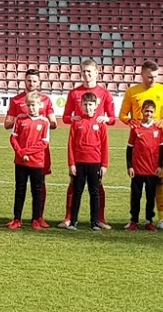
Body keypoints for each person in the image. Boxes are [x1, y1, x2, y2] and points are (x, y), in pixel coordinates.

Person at [119, 60, 163, 231]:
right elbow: (122, 114)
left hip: (157, 144)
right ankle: (134, 219)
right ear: (142, 74)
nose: (153, 79)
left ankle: (160, 219)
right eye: (150, 76)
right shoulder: (132, 92)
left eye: (155, 76)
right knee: (135, 184)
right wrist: (130, 121)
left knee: (159, 181)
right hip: (139, 144)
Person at [61, 59, 115, 229]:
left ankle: (100, 218)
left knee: (97, 187)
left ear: (97, 73)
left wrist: (106, 118)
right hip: (79, 146)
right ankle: (69, 217)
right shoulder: (74, 93)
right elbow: (65, 117)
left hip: (96, 146)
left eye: (89, 71)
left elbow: (113, 118)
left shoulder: (104, 93)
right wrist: (73, 118)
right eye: (84, 71)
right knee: (74, 184)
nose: (86, 74)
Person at [4, 69, 57, 221]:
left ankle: (39, 217)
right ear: (24, 81)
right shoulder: (16, 100)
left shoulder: (45, 100)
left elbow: (53, 123)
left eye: (34, 81)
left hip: (39, 152)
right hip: (22, 152)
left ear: (38, 82)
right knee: (20, 187)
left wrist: (48, 121)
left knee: (40, 184)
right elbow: (7, 124)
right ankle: (18, 218)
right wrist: (18, 119)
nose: (31, 83)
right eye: (29, 80)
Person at [7, 91, 50, 231]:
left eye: (34, 105)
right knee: (19, 190)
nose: (31, 108)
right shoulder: (20, 119)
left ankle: (35, 219)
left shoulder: (44, 122)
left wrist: (25, 152)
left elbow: (43, 143)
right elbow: (13, 138)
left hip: (36, 162)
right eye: (29, 105)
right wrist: (20, 153)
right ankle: (17, 219)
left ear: (40, 105)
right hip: (20, 162)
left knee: (36, 191)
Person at [66, 92, 108, 231]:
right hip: (79, 163)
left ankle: (94, 222)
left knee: (94, 192)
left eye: (90, 105)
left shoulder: (100, 124)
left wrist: (104, 165)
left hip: (95, 163)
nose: (88, 107)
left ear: (96, 106)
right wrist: (71, 163)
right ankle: (73, 221)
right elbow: (71, 145)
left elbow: (105, 145)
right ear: (81, 105)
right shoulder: (76, 122)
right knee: (77, 192)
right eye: (85, 104)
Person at [125, 100, 163, 232]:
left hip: (152, 170)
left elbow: (162, 149)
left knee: (150, 197)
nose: (148, 113)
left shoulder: (159, 128)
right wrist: (129, 166)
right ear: (142, 111)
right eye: (146, 111)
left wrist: (160, 165)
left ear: (154, 113)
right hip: (137, 169)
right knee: (136, 196)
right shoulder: (135, 128)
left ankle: (149, 221)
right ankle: (134, 221)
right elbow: (129, 148)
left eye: (151, 111)